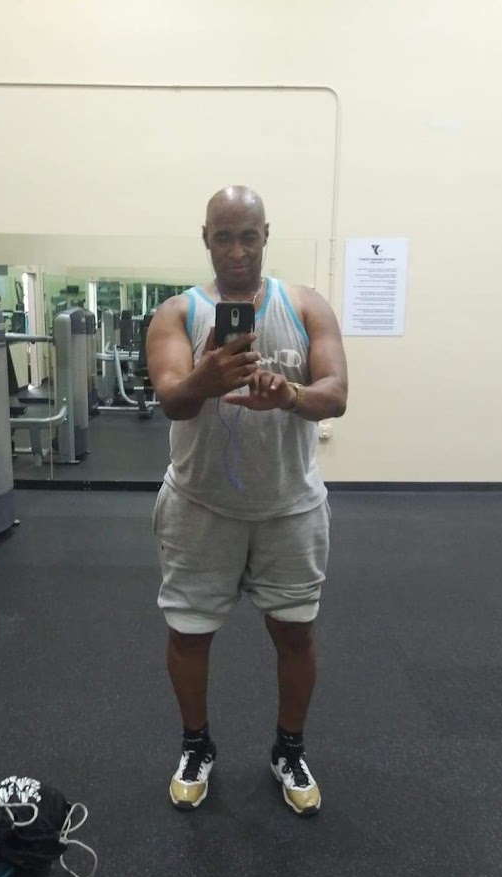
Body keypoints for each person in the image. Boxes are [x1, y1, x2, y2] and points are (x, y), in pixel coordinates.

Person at [146, 186, 348, 816]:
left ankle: (289, 749)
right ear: (206, 238)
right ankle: (196, 746)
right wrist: (203, 379)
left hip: (290, 508)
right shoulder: (177, 314)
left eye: (249, 237)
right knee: (189, 634)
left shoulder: (306, 306)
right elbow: (172, 399)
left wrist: (289, 394)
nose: (237, 251)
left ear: (266, 236)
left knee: (295, 633)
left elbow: (336, 393)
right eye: (224, 237)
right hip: (199, 506)